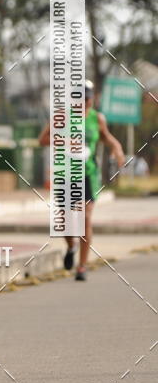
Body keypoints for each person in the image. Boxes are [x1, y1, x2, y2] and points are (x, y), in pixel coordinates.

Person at [39, 80, 125, 281]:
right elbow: (42, 139)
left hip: (88, 173)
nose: (85, 102)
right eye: (81, 98)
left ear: (92, 98)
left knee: (85, 217)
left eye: (88, 98)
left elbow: (107, 137)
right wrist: (64, 140)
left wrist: (117, 148)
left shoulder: (98, 119)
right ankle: (71, 246)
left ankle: (82, 266)